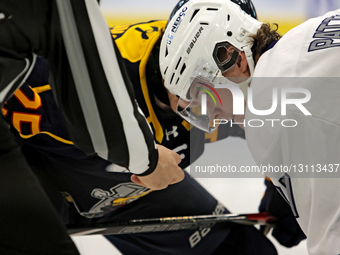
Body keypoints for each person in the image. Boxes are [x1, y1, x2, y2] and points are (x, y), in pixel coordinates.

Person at [2, 0, 280, 254]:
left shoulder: (226, 73)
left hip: (131, 191)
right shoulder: (60, 83)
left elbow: (280, 124)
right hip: (45, 178)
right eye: (209, 100)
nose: (223, 118)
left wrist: (281, 181)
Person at [0, 0, 183, 254]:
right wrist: (149, 161)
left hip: (110, 178)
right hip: (57, 167)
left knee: (230, 243)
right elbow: (98, 114)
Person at [160, 0, 340, 254]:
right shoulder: (309, 31)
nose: (213, 118)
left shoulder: (273, 120)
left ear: (235, 58)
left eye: (204, 96)